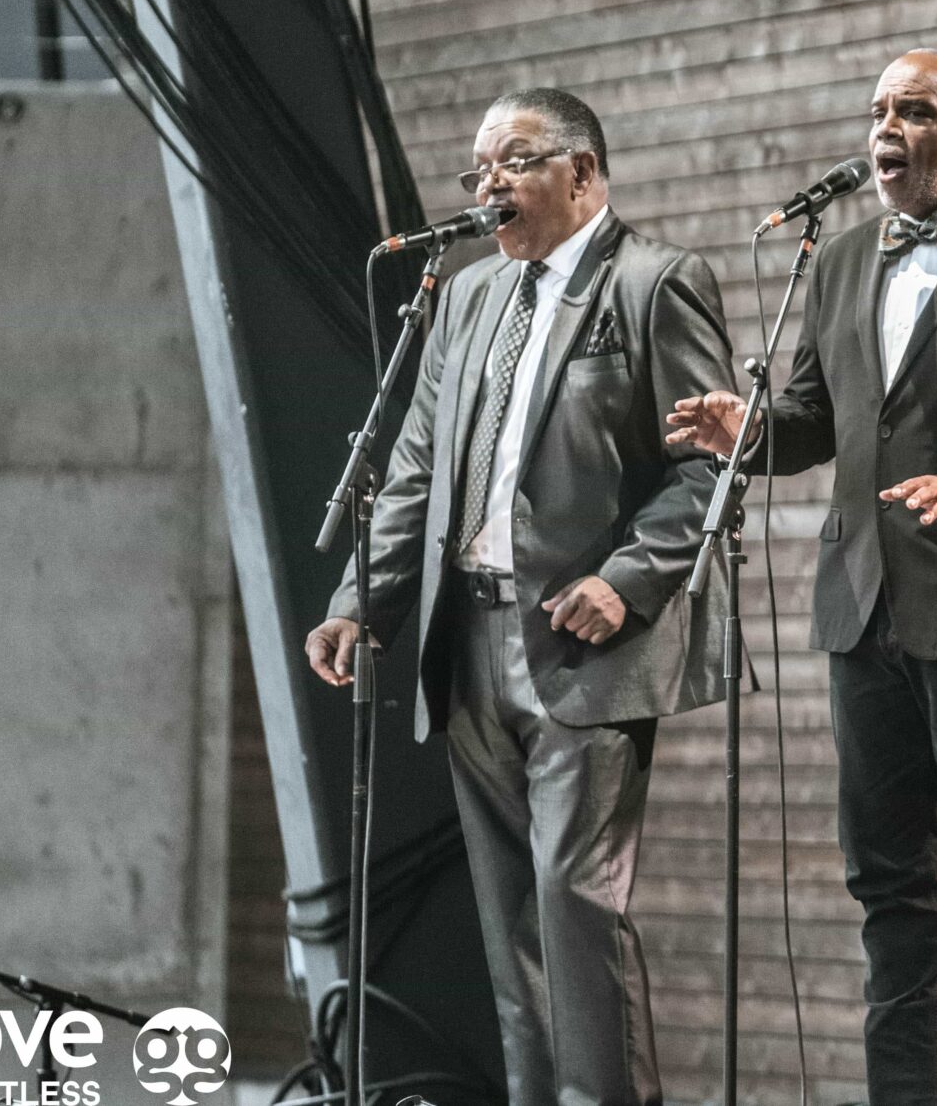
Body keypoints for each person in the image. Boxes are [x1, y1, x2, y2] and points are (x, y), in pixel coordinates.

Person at [665, 49, 937, 1106]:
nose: (888, 128)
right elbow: (817, 421)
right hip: (862, 607)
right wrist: (751, 432)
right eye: (878, 110)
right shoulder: (839, 259)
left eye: (916, 111)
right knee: (888, 885)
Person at [305, 87, 733, 1106]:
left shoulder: (654, 283)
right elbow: (416, 467)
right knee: (512, 927)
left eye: (513, 162)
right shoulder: (462, 295)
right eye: (477, 171)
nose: (488, 184)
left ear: (583, 170)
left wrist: (625, 583)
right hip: (469, 638)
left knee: (575, 905)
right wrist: (364, 597)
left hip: (582, 645)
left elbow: (710, 465)